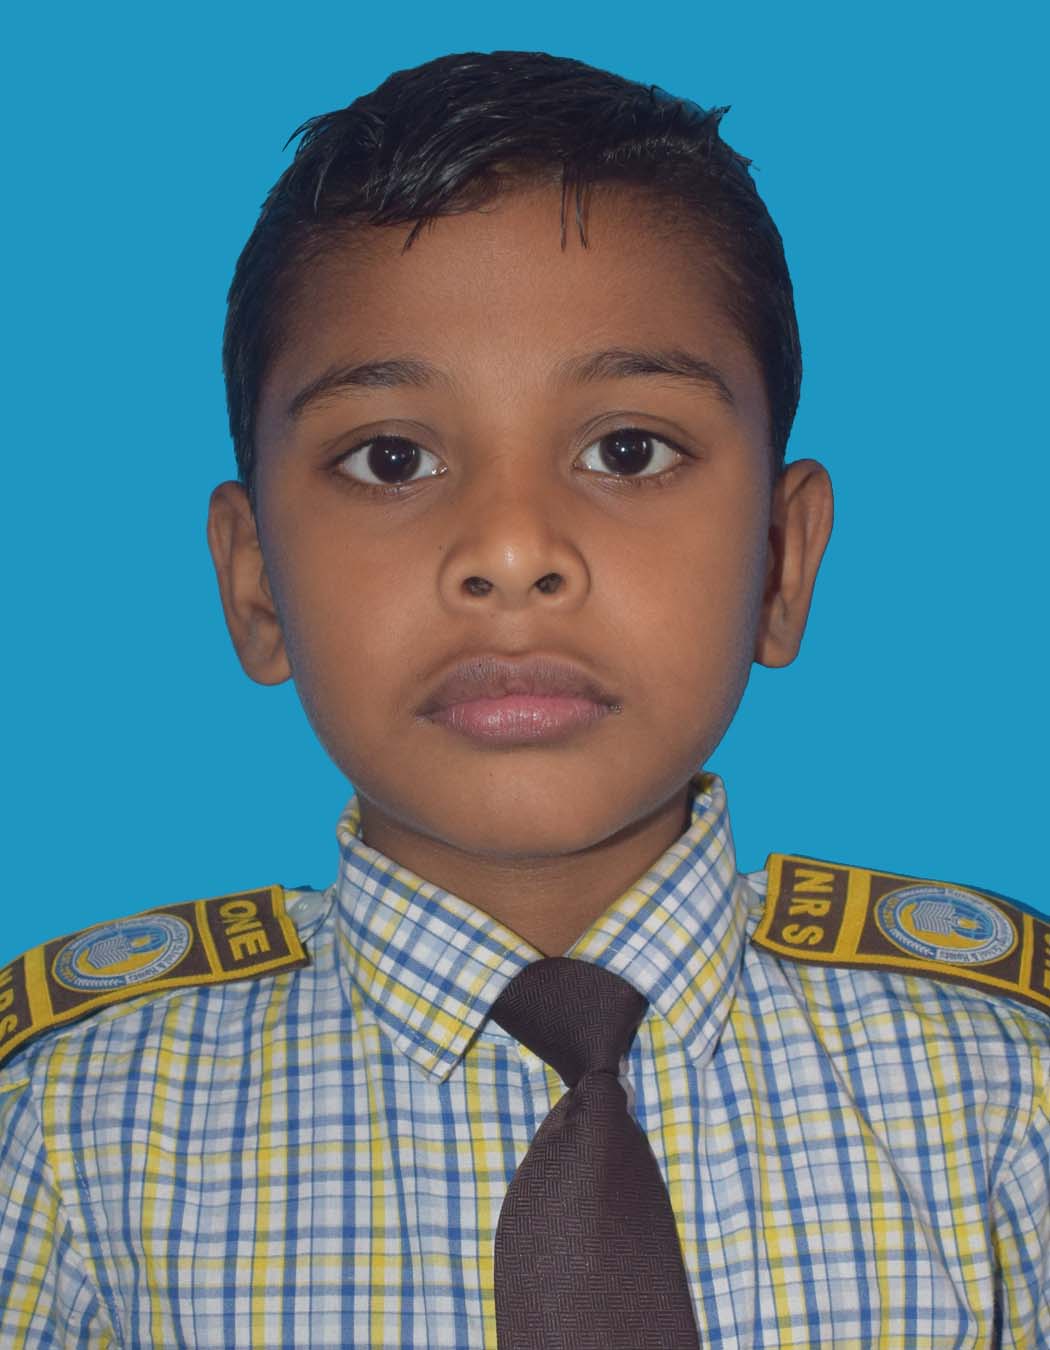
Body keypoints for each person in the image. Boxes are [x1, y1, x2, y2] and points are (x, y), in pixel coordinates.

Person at [0, 49, 1046, 1348]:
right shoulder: (69, 1128)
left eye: (627, 449)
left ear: (781, 560)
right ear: (254, 580)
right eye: (392, 459)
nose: (509, 550)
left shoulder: (1007, 1090)